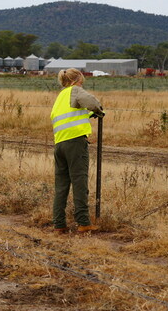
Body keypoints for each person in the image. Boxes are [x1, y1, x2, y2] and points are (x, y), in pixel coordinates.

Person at [50, 68, 104, 234]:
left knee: (61, 185)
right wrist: (98, 111)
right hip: (75, 142)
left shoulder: (61, 96)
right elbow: (93, 103)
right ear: (76, 80)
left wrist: (87, 116)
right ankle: (83, 222)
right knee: (80, 181)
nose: (82, 83)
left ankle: (59, 224)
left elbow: (70, 117)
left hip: (59, 144)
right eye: (81, 80)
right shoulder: (75, 90)